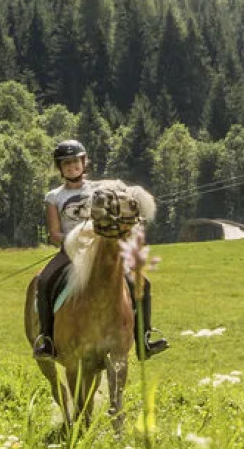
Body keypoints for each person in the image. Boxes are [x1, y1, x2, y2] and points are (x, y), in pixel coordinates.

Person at [31, 139, 167, 360]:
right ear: (60, 168)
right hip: (71, 253)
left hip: (101, 249)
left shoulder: (98, 189)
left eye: (76, 162)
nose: (72, 167)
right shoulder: (54, 197)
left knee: (142, 283)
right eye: (66, 164)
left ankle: (144, 339)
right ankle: (47, 340)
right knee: (45, 281)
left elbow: (124, 191)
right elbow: (55, 234)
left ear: (84, 163)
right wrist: (75, 239)